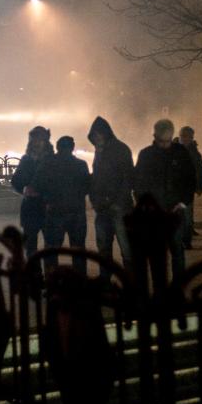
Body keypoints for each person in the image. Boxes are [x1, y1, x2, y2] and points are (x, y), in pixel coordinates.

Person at [133, 119, 196, 280]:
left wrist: (183, 202)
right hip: (154, 215)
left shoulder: (180, 152)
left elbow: (190, 180)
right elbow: (138, 184)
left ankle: (177, 289)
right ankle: (160, 290)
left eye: (168, 141)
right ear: (155, 136)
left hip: (175, 211)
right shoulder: (146, 155)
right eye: (162, 141)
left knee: (177, 252)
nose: (166, 145)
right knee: (157, 256)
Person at [33, 136, 90, 273]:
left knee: (52, 251)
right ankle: (79, 282)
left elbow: (37, 185)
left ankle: (52, 283)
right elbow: (87, 186)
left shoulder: (47, 163)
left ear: (58, 147)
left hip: (55, 212)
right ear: (72, 147)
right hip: (76, 212)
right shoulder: (81, 165)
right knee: (78, 250)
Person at [87, 116, 135, 281]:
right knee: (104, 247)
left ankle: (131, 282)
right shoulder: (100, 151)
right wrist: (95, 200)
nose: (97, 138)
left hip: (119, 208)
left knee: (126, 248)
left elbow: (128, 178)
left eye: (99, 135)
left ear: (106, 134)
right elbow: (98, 178)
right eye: (94, 136)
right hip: (103, 207)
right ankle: (106, 278)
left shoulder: (119, 149)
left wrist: (118, 202)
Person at [11, 125, 54, 261]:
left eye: (40, 140)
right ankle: (34, 277)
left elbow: (58, 184)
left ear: (46, 142)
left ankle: (51, 276)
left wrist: (46, 196)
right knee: (30, 249)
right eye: (34, 140)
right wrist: (23, 188)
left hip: (48, 209)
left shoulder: (53, 161)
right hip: (30, 209)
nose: (37, 144)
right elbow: (15, 180)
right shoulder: (26, 160)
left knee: (50, 249)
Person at [176, 126, 202, 249]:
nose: (185, 139)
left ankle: (186, 240)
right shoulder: (172, 149)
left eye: (187, 137)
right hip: (174, 189)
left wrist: (200, 186)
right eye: (183, 136)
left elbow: (200, 170)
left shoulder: (194, 153)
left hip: (187, 189)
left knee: (187, 216)